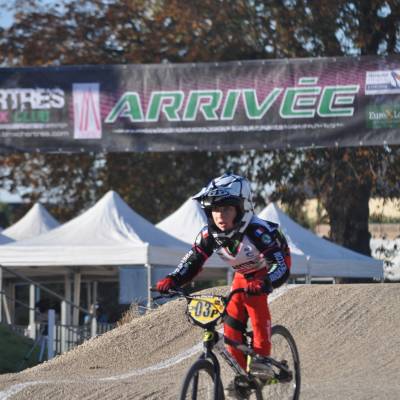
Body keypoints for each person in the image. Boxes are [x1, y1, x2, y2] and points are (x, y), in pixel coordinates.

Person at [156, 173, 291, 399]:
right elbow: (193, 259)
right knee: (231, 324)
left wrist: (266, 281)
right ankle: (244, 377)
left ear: (242, 208)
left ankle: (262, 362)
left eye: (227, 209)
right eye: (215, 209)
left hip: (266, 268)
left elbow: (281, 266)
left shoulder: (258, 231)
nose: (220, 215)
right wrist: (173, 279)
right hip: (243, 273)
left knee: (255, 304)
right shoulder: (209, 234)